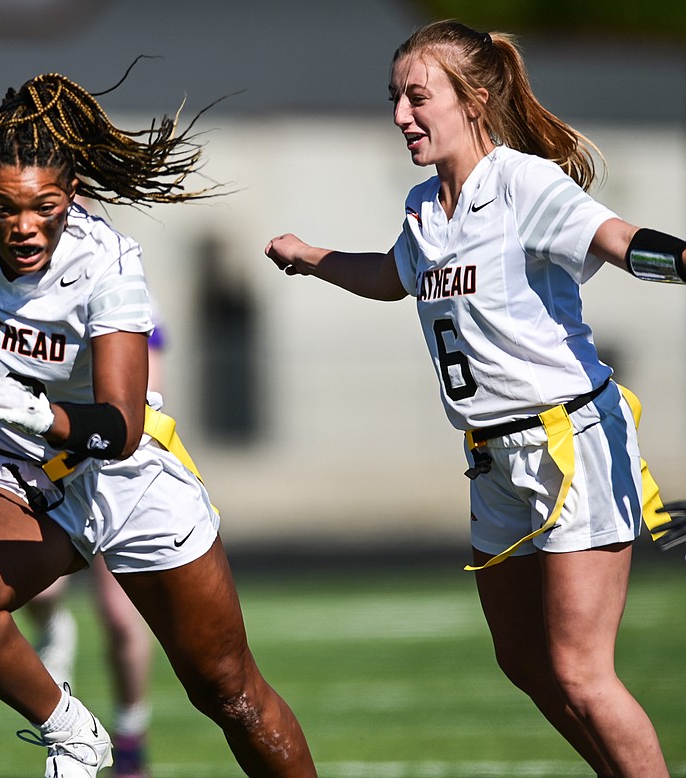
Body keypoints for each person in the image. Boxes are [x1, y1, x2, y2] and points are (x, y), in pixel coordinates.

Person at [0, 70, 318, 777]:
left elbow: (119, 426)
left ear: (71, 196)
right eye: (3, 208)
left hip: (123, 477)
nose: (22, 226)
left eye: (42, 207)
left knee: (228, 691)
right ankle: (72, 731)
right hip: (17, 479)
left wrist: (38, 412)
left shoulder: (106, 263)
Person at [264, 20, 675, 776]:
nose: (400, 116)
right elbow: (394, 277)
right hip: (491, 459)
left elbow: (616, 239)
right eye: (395, 99)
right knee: (523, 660)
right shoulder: (426, 204)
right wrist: (311, 257)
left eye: (418, 97)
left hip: (568, 444)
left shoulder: (522, 182)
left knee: (583, 673)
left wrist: (680, 258)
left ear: (475, 101)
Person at [22, 320, 167, 778]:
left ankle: (130, 740)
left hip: (114, 472)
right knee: (39, 595)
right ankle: (57, 639)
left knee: (121, 617)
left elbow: (138, 402)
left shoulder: (117, 285)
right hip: (50, 466)